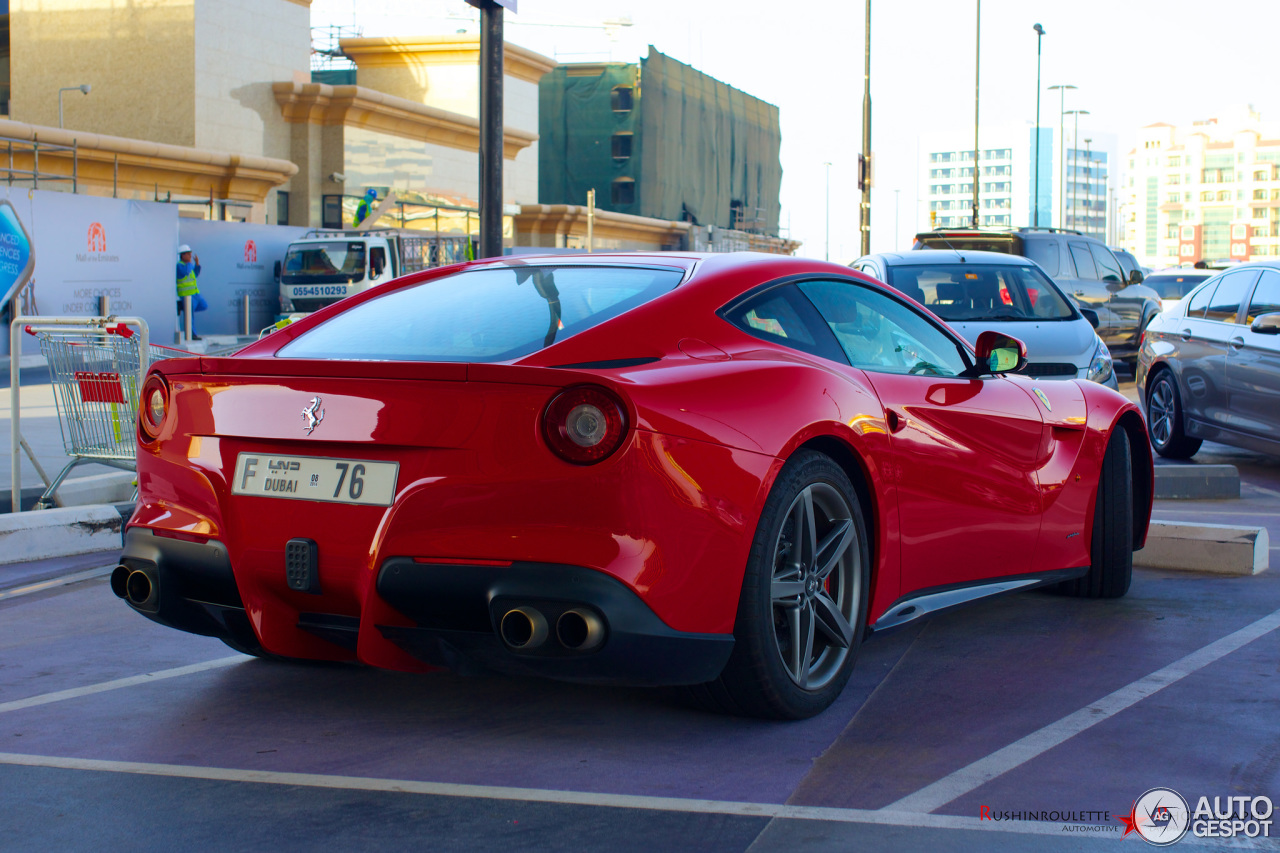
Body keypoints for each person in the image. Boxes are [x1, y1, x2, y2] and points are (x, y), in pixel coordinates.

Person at [176, 244, 207, 340]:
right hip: (186, 296)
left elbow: (195, 274)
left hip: (195, 295)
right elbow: (185, 272)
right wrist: (190, 263)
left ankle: (182, 307)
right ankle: (192, 335)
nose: (190, 256)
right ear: (182, 255)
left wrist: (197, 265)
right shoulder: (180, 266)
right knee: (190, 316)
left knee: (204, 305)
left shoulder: (188, 266)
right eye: (188, 254)